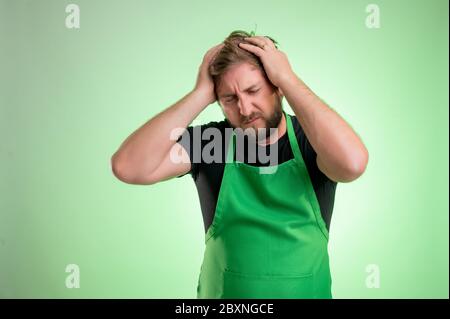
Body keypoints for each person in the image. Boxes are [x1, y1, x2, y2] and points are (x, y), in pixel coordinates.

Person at [111, 30, 369, 298]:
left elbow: (352, 164)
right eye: (229, 99)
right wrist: (199, 94)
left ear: (277, 87)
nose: (245, 109)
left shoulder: (315, 142)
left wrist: (289, 79)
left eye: (253, 90)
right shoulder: (212, 144)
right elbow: (128, 167)